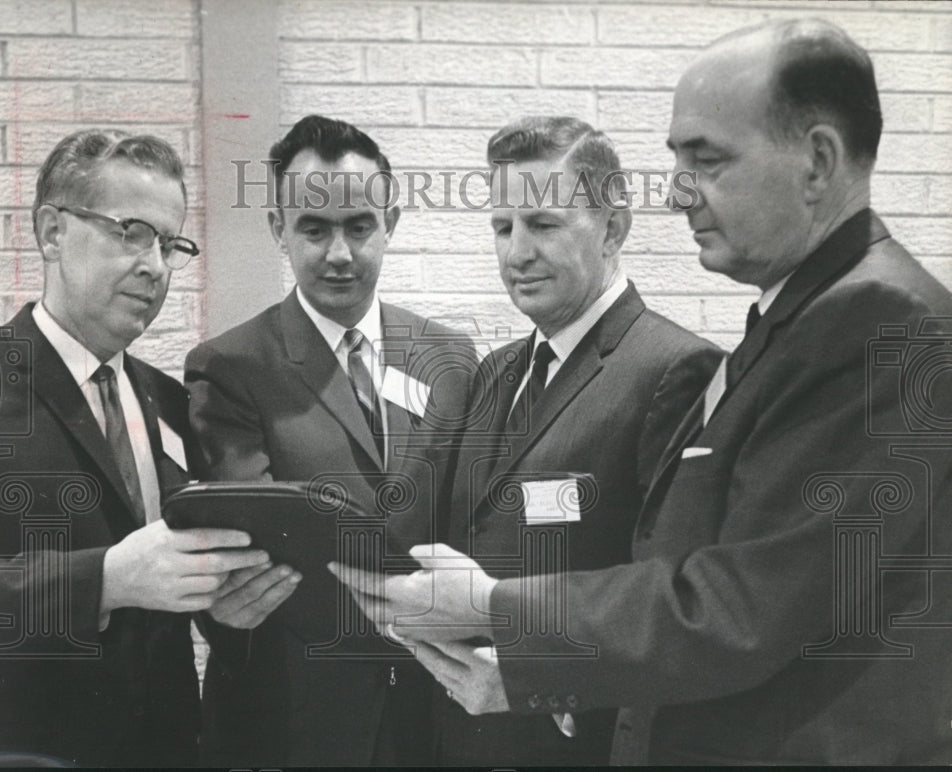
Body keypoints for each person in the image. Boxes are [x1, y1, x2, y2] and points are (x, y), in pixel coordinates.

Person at [333, 19, 952, 765]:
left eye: (708, 161)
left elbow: (742, 607)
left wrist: (496, 608)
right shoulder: (798, 319)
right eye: (502, 225)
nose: (678, 194)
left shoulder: (882, 322)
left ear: (818, 161)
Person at [384, 116, 720, 766]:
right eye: (502, 227)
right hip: (466, 739)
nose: (516, 253)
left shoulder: (677, 371)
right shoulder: (495, 372)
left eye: (542, 224)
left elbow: (673, 601)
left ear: (613, 228)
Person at [0, 129, 281, 767]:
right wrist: (106, 580)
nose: (154, 265)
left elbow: (173, 585)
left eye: (169, 243)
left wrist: (227, 613)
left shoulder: (170, 399)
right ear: (51, 232)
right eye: (129, 231)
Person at [185, 115, 476, 766]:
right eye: (314, 230)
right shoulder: (230, 368)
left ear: (391, 222)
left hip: (432, 713)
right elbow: (253, 555)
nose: (338, 253)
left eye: (358, 226)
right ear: (278, 231)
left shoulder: (449, 359)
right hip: (296, 717)